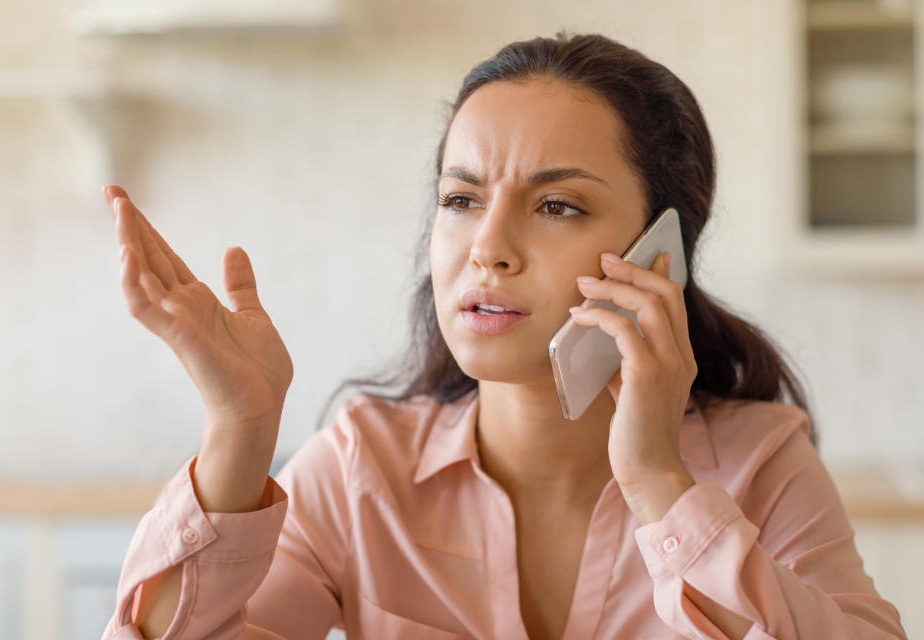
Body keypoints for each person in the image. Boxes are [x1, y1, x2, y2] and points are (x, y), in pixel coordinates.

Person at [100, 32, 907, 640]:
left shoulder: (758, 462)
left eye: (557, 206)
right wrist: (239, 435)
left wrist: (661, 483)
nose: (488, 246)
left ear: (660, 252)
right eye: (460, 200)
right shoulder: (362, 468)